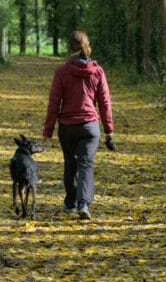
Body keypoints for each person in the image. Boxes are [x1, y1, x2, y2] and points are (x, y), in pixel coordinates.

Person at [42, 30, 116, 220]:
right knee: (86, 164)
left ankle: (70, 203)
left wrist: (48, 130)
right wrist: (109, 130)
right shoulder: (97, 71)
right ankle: (84, 203)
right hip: (90, 126)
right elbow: (105, 102)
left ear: (69, 48)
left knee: (70, 163)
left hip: (67, 126)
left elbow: (54, 102)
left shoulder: (62, 71)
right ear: (87, 46)